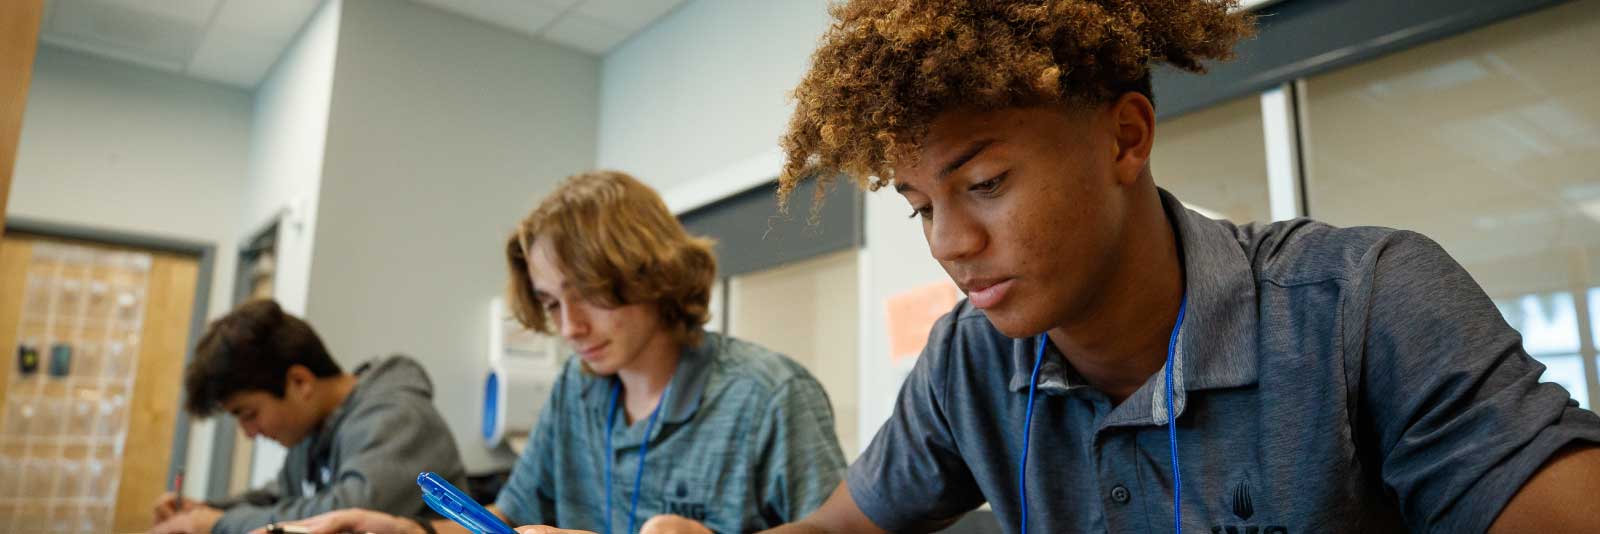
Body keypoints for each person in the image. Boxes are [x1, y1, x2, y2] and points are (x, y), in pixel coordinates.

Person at [742, 1, 1600, 533]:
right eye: (923, 206)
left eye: (985, 183)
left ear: (1126, 137)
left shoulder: (1363, 302)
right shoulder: (968, 359)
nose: (949, 243)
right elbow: (843, 526)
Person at [267, 170, 847, 534]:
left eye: (588, 295)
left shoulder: (770, 398)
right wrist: (404, 532)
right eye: (549, 303)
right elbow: (505, 519)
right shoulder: (578, 387)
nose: (569, 327)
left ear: (654, 274)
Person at [152, 299, 467, 534]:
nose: (248, 432)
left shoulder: (398, 418)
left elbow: (343, 516)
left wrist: (218, 524)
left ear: (300, 382)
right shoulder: (312, 435)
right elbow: (278, 495)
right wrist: (205, 510)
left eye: (249, 414)